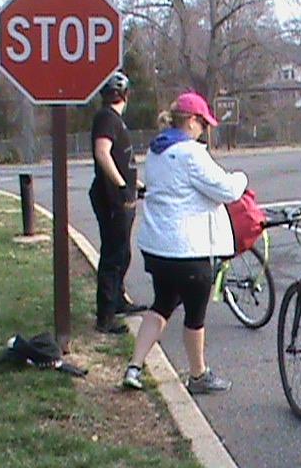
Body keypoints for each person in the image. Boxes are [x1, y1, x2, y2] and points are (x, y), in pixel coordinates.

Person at [122, 91, 248, 394]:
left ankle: (134, 367)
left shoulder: (156, 151)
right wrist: (241, 178)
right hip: (186, 249)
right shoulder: (191, 154)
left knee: (161, 305)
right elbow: (227, 189)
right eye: (202, 123)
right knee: (195, 316)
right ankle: (198, 375)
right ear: (190, 121)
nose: (204, 130)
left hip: (157, 247)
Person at [89, 72, 146, 335]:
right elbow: (102, 153)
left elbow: (120, 158)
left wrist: (136, 184)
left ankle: (118, 301)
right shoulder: (106, 119)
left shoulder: (113, 120)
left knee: (122, 253)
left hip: (122, 196)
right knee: (113, 256)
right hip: (112, 199)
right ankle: (105, 317)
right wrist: (122, 186)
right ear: (126, 95)